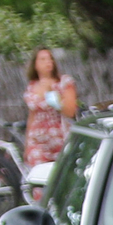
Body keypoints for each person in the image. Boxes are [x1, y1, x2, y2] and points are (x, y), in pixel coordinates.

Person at [21, 47, 76, 175]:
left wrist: (51, 94)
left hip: (59, 139)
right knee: (39, 179)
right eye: (43, 59)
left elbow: (70, 111)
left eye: (50, 58)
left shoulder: (64, 82)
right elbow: (32, 115)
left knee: (60, 178)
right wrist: (27, 144)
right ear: (35, 64)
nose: (48, 62)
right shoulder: (32, 85)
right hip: (37, 141)